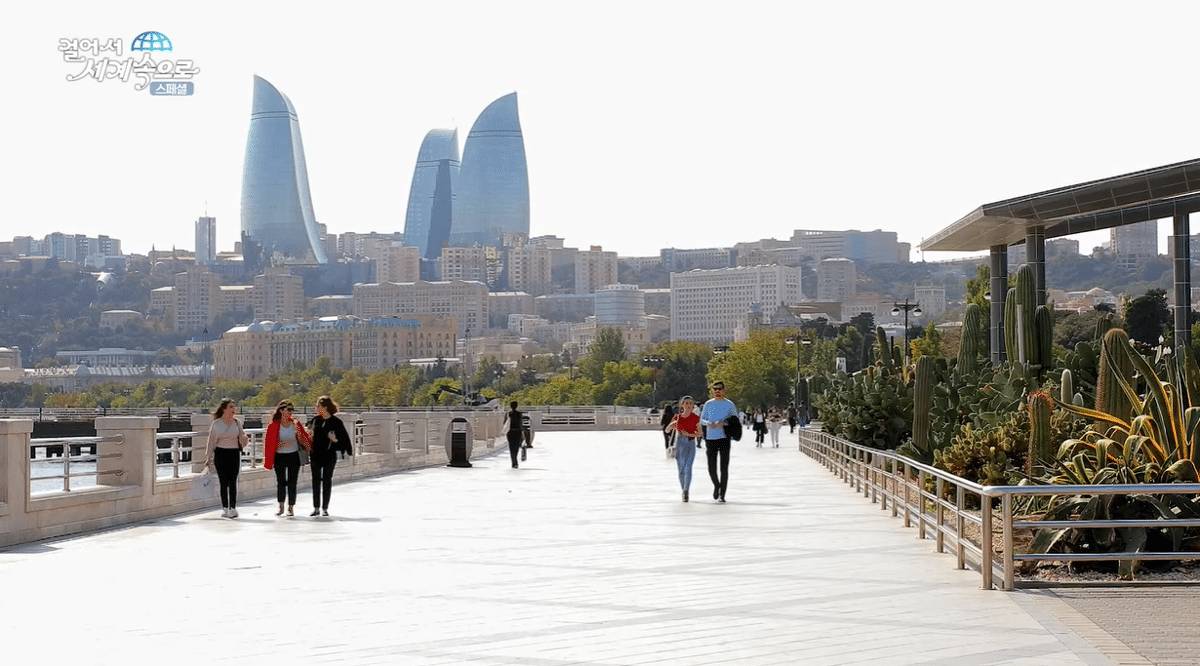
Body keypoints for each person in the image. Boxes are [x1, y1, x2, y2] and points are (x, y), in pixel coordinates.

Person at [307, 395, 352, 517]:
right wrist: (309, 434)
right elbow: (308, 433)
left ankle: (325, 508)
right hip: (315, 454)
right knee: (315, 481)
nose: (316, 408)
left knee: (327, 480)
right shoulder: (315, 420)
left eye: (318, 406)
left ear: (325, 407)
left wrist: (335, 440)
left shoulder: (336, 422)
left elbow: (344, 440)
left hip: (329, 456)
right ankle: (316, 508)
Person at [264, 400, 309, 518]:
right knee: (281, 482)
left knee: (292, 482)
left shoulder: (295, 424)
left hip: (294, 456)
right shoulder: (273, 425)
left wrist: (299, 436)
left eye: (292, 410)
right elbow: (269, 444)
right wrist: (279, 445)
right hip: (280, 456)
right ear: (281, 410)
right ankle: (281, 506)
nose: (291, 412)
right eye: (288, 409)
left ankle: (291, 507)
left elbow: (304, 439)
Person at [204, 398, 247, 519]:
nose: (234, 409)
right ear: (224, 409)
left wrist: (244, 438)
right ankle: (224, 508)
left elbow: (242, 437)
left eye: (234, 407)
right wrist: (208, 457)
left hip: (234, 453)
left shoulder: (237, 422)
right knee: (223, 482)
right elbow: (211, 441)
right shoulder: (216, 423)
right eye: (231, 407)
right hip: (220, 454)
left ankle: (232, 508)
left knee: (233, 481)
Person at [700, 381, 738, 503]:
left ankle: (723, 494)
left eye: (719, 389)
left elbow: (735, 420)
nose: (717, 391)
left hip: (724, 438)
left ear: (724, 390)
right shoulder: (708, 404)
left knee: (724, 467)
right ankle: (717, 485)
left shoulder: (730, 404)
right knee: (711, 467)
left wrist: (724, 423)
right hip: (711, 439)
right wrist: (708, 424)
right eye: (715, 389)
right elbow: (702, 419)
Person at [665, 396, 702, 502]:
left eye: (690, 403)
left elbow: (700, 433)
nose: (689, 405)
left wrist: (689, 434)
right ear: (682, 405)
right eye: (686, 403)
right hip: (680, 444)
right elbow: (667, 430)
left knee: (688, 467)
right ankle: (683, 490)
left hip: (690, 443)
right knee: (681, 470)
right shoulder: (677, 417)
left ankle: (686, 490)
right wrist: (671, 426)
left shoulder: (695, 418)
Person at [502, 401, 524, 469]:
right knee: (516, 447)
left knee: (511, 447)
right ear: (516, 406)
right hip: (517, 432)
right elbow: (521, 424)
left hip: (510, 432)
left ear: (510, 406)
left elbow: (504, 423)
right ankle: (515, 461)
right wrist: (522, 433)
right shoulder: (519, 414)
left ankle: (513, 462)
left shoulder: (508, 414)